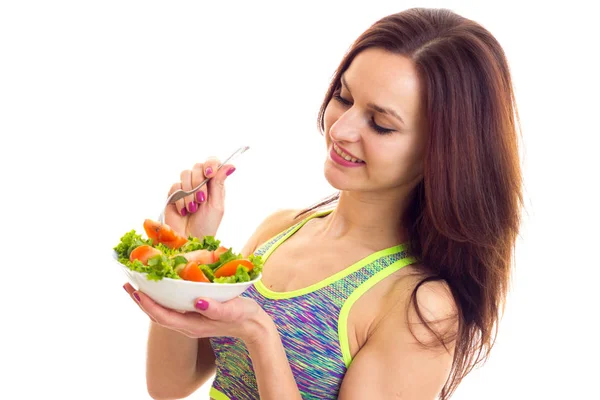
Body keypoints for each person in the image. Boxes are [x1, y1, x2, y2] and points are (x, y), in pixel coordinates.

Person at [123, 7, 523, 400]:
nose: (341, 129)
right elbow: (169, 385)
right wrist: (185, 248)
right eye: (344, 97)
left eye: (381, 124)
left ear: (441, 153)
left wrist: (260, 335)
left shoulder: (420, 307)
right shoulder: (278, 231)